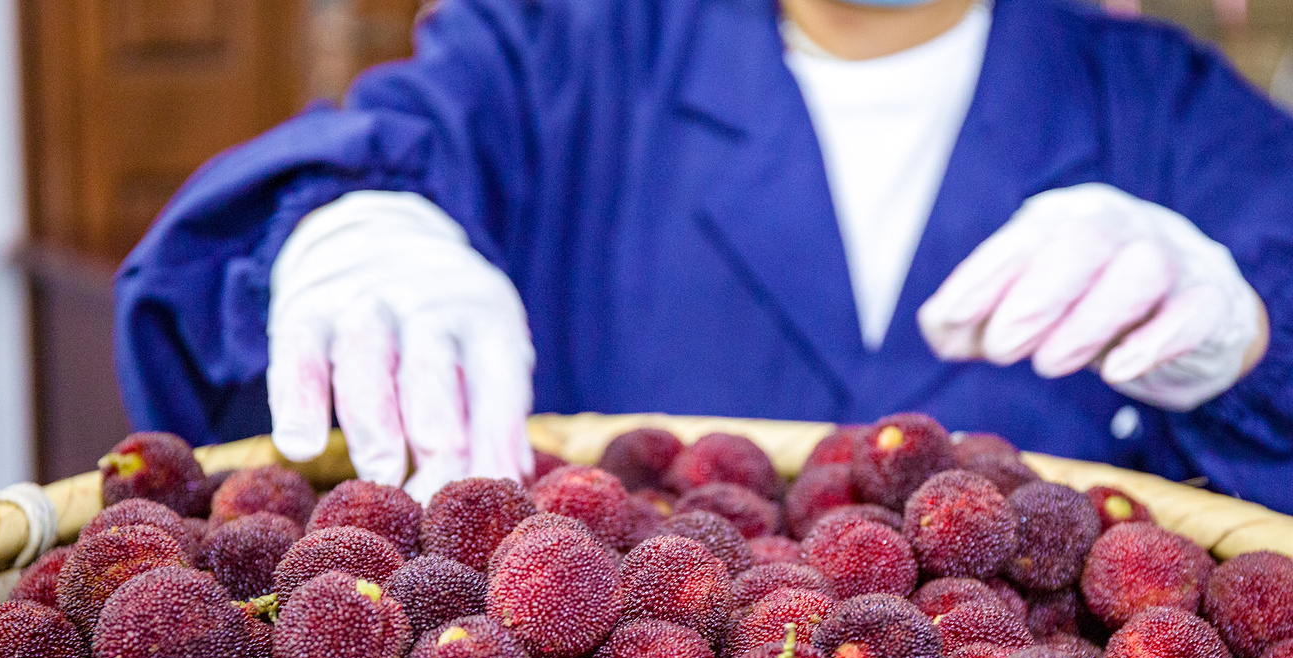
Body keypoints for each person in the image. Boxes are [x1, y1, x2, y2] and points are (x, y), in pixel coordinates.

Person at [114, 0, 1293, 512]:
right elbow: (329, 189)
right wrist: (338, 231)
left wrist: (1246, 347)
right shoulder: (558, 50)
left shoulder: (1174, 112)